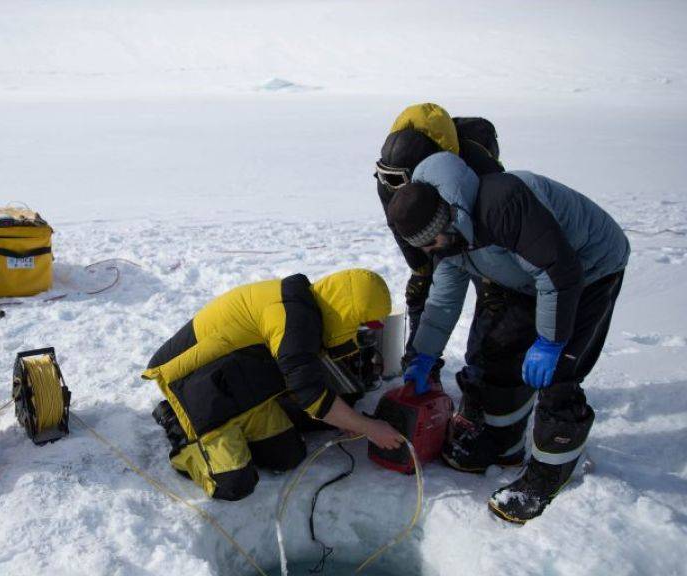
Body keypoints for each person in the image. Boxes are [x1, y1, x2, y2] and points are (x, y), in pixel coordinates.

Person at [385, 152, 629, 523]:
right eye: (424, 248)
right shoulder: (447, 239)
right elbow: (444, 300)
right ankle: (504, 442)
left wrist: (550, 341)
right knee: (497, 350)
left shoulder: (502, 204)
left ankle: (549, 474)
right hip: (528, 276)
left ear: (446, 218)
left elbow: (559, 270)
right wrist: (422, 354)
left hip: (588, 269)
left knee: (559, 372)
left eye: (432, 243)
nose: (431, 252)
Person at [142, 269, 399, 500]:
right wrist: (367, 426)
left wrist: (347, 419)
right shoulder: (292, 317)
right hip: (192, 385)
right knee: (233, 483)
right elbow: (310, 394)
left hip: (238, 387)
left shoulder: (307, 310)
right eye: (367, 323)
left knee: (287, 456)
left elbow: (302, 379)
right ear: (348, 310)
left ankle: (234, 434)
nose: (365, 332)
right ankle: (176, 421)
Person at [376, 103, 534, 471]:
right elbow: (400, 227)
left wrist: (459, 253)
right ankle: (423, 369)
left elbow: (493, 231)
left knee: (494, 302)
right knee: (425, 293)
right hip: (431, 230)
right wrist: (423, 265)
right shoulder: (392, 177)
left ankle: (479, 393)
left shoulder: (476, 169)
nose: (393, 184)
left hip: (477, 238)